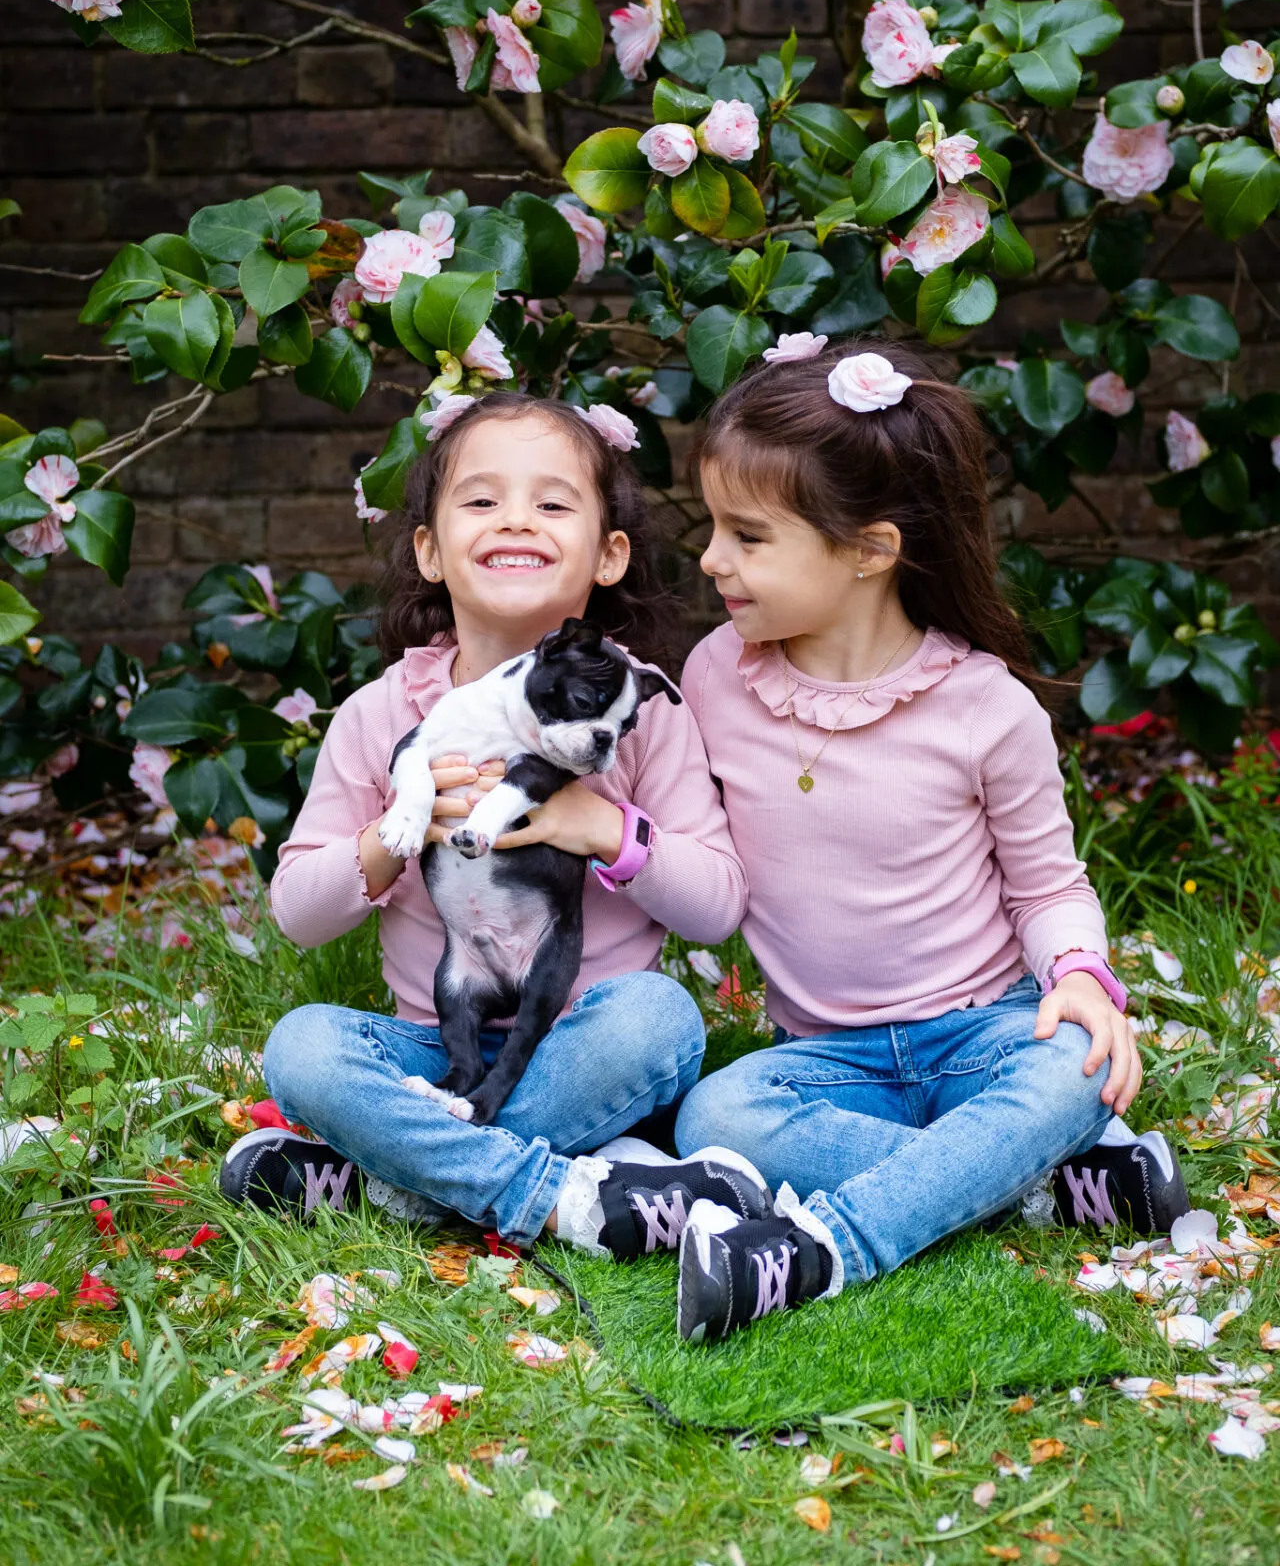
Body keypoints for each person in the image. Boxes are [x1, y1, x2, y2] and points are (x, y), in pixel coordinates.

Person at [670, 339, 1189, 1343]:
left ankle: (818, 1250)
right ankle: (1031, 1183)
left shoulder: (982, 710)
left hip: (983, 1034)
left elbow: (1044, 889)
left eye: (745, 536)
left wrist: (1079, 975)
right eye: (712, 530)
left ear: (867, 550)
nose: (710, 560)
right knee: (715, 1120)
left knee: (1071, 1062)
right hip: (822, 1060)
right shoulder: (712, 677)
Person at [218, 393, 772, 1260]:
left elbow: (718, 907)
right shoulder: (382, 717)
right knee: (305, 1048)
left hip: (589, 1043)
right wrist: (391, 835)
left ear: (610, 554)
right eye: (482, 501)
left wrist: (606, 828)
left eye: (553, 504)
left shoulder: (636, 714)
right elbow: (297, 913)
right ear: (430, 552)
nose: (516, 519)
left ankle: (395, 1174)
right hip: (438, 1048)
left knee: (661, 1018)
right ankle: (561, 1187)